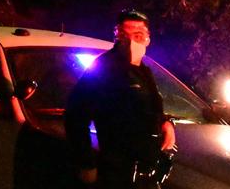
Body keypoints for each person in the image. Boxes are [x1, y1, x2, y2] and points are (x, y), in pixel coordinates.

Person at [65, 10, 177, 187]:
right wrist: (86, 163)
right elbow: (75, 116)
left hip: (145, 169)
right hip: (116, 173)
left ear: (148, 39)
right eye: (124, 35)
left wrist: (165, 122)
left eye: (138, 35)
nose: (131, 42)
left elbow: (148, 107)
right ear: (116, 36)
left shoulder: (144, 70)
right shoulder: (103, 68)